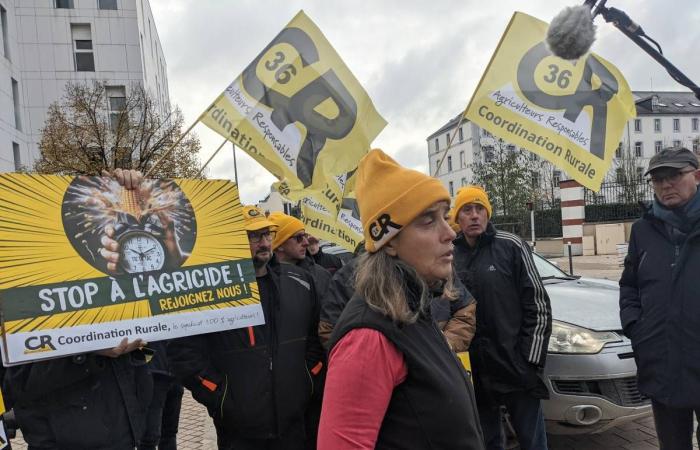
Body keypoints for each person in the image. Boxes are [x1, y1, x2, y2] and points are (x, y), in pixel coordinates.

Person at [317, 149, 485, 449]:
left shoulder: (412, 308)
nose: (450, 233)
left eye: (445, 217)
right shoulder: (368, 338)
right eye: (427, 220)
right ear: (390, 242)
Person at [4, 171, 153, 450]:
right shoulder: (18, 291)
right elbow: (15, 385)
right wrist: (88, 350)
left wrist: (134, 189)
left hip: (126, 436)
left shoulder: (111, 276)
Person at [168, 205, 324, 450]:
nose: (264, 243)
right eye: (253, 236)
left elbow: (316, 338)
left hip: (293, 426)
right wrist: (220, 397)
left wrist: (309, 380)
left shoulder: (300, 282)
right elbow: (183, 352)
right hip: (238, 432)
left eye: (267, 234)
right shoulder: (212, 290)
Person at [453, 185, 552, 450]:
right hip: (474, 371)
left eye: (479, 209)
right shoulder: (449, 254)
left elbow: (538, 305)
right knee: (487, 441)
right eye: (467, 210)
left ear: (487, 214)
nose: (474, 215)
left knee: (533, 441)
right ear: (457, 218)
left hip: (515, 366)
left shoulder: (511, 246)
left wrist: (529, 361)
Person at [619, 147, 700, 450]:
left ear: (696, 175)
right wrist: (636, 328)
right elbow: (629, 286)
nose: (666, 185)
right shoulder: (643, 230)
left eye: (675, 176)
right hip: (661, 363)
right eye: (658, 179)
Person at [267, 213, 329, 449]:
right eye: (298, 237)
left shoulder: (319, 276)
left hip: (312, 383)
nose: (306, 242)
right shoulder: (260, 279)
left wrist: (313, 371)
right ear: (280, 244)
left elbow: (323, 327)